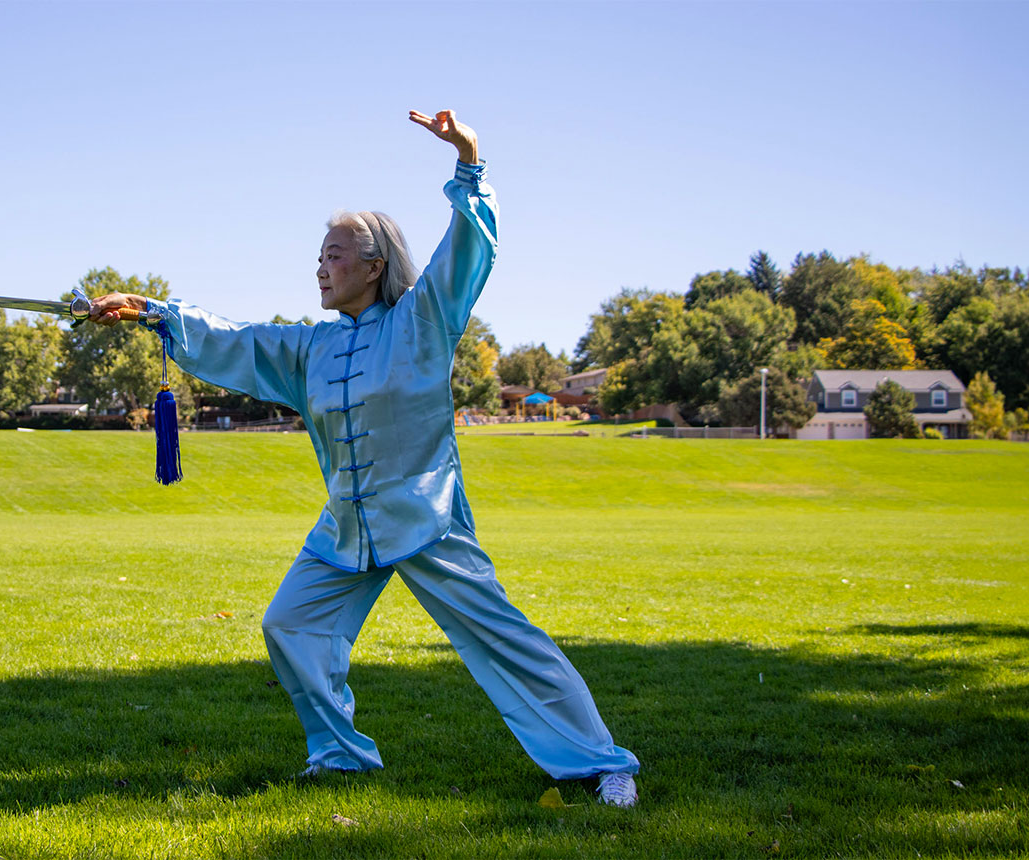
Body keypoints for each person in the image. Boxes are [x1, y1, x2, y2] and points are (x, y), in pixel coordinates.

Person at [89, 109, 641, 807]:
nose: (321, 267)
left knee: (505, 641)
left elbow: (468, 251)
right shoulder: (309, 349)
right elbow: (238, 338)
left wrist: (468, 159)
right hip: (346, 528)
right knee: (290, 625)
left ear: (375, 266)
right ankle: (341, 756)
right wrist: (146, 310)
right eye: (320, 255)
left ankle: (599, 764)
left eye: (336, 255)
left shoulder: (423, 320)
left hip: (425, 521)